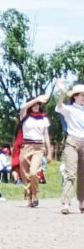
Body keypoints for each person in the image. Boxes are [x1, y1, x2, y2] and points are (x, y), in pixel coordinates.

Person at [13, 94, 51, 209]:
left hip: (39, 147)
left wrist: (49, 152)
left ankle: (35, 194)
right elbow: (23, 107)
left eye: (38, 104)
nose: (36, 106)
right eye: (33, 104)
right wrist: (36, 99)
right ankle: (29, 197)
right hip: (26, 146)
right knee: (25, 174)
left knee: (34, 172)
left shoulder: (44, 118)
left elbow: (46, 136)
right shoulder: (25, 116)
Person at [55, 81, 84, 214]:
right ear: (75, 96)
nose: (83, 97)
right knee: (70, 173)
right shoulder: (69, 109)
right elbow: (59, 107)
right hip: (72, 141)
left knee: (82, 175)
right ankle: (66, 203)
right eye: (81, 95)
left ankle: (82, 201)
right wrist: (62, 92)